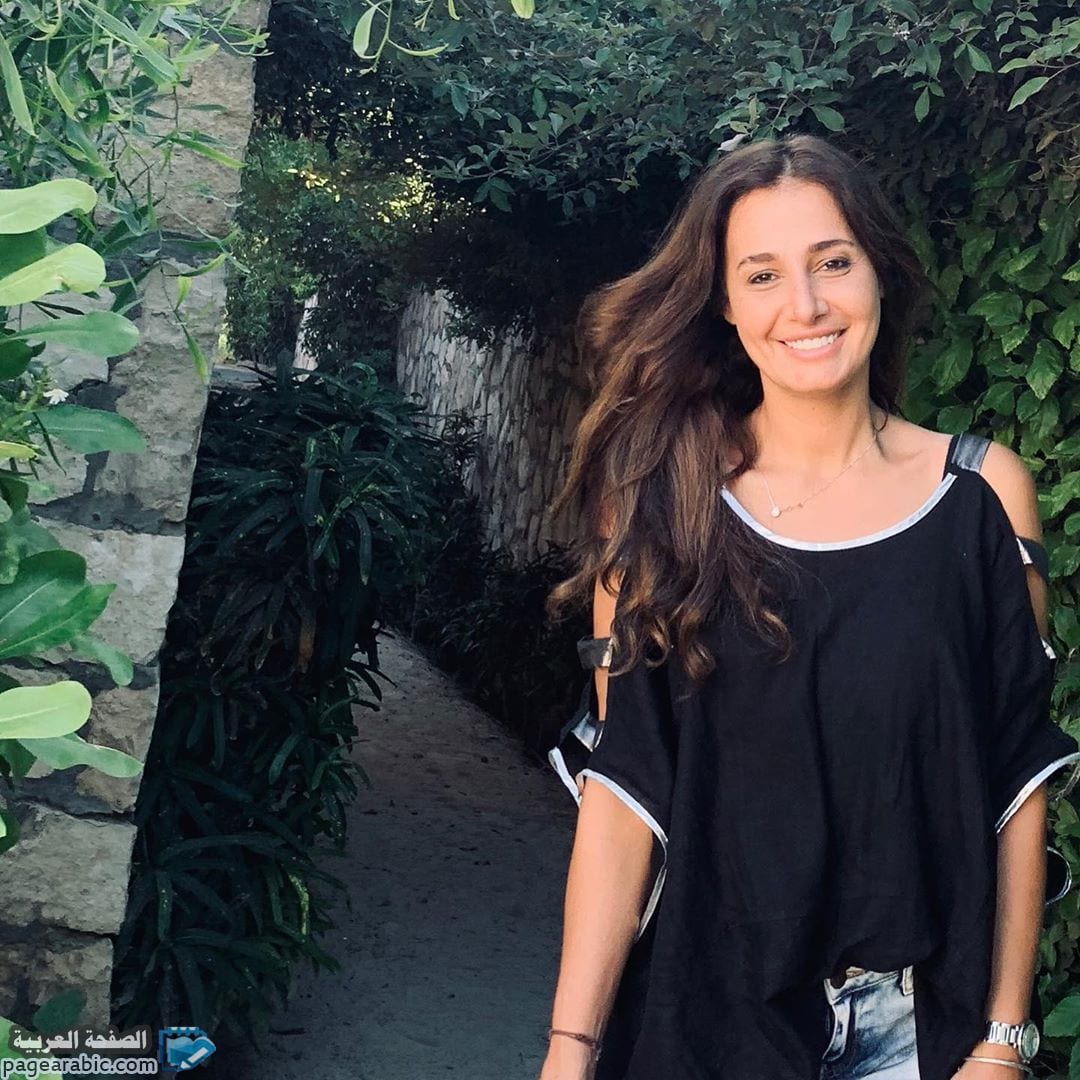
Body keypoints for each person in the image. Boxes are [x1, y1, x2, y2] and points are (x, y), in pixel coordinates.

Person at [539, 135, 1080, 1080]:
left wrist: (1002, 1041)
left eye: (833, 261)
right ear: (724, 303)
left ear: (878, 270)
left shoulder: (983, 497)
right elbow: (622, 799)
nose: (806, 305)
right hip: (705, 1020)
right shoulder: (659, 504)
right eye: (762, 275)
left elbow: (1016, 781)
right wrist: (568, 1051)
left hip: (918, 1032)